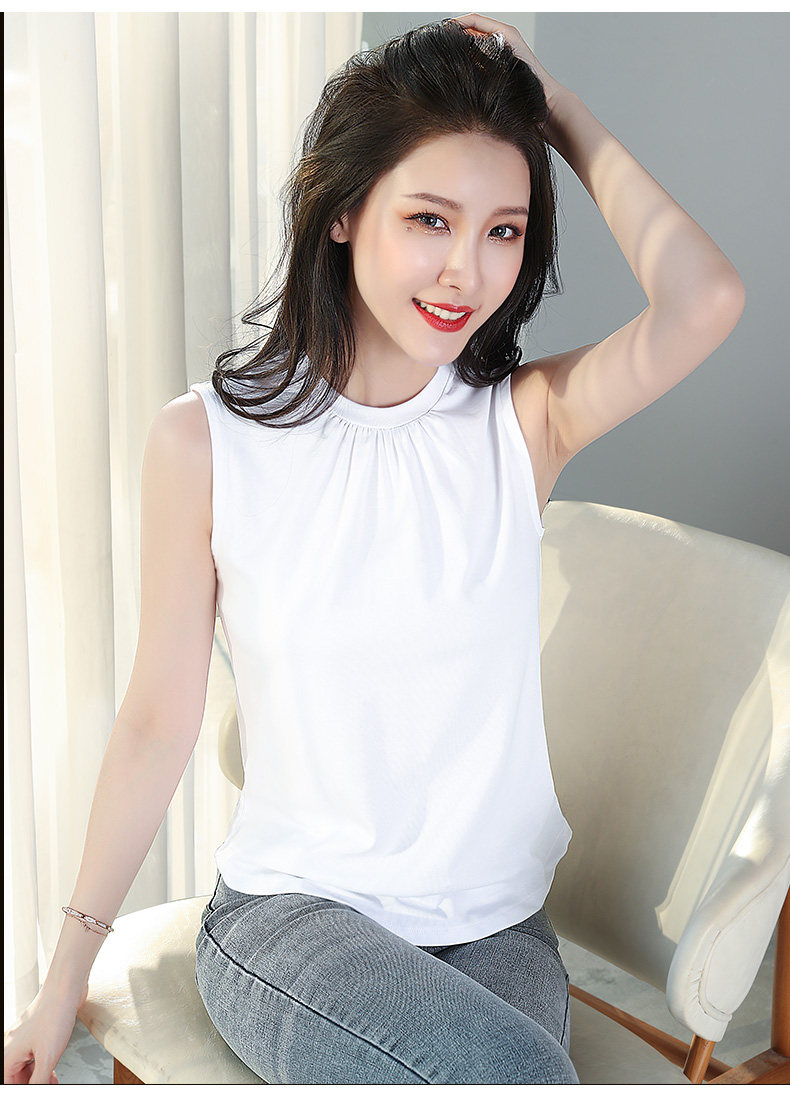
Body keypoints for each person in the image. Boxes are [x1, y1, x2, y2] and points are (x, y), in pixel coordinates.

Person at [4, 13, 745, 1086]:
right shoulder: (207, 443)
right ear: (345, 212)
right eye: (430, 219)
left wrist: (558, 112)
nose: (465, 271)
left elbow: (705, 299)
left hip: (494, 923)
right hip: (293, 921)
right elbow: (156, 723)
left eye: (503, 229)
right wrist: (61, 977)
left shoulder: (521, 425)